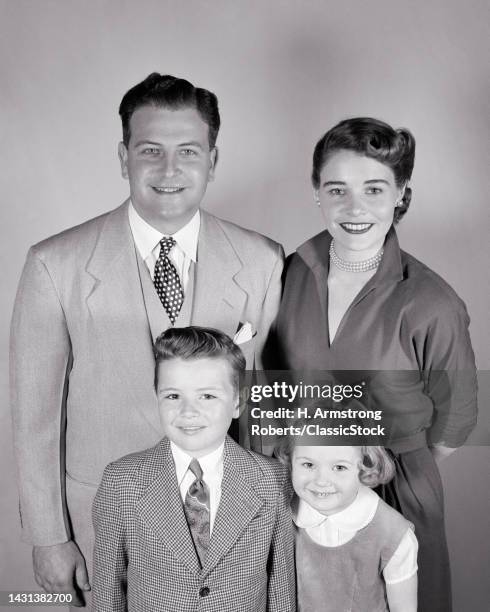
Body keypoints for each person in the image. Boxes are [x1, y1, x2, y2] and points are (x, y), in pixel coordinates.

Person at [10, 73, 283, 606]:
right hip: (103, 523)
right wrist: (48, 536)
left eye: (188, 151)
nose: (169, 169)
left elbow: (263, 399)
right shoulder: (53, 264)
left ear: (213, 160)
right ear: (123, 156)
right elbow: (34, 416)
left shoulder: (262, 260)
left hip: (228, 527)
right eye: (150, 150)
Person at [268, 117, 477, 611]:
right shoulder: (289, 272)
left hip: (396, 487)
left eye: (374, 189)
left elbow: (456, 421)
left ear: (401, 194)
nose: (354, 207)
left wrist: (386, 465)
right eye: (337, 188)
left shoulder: (432, 302)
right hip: (305, 483)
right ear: (317, 191)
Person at [92, 326, 295, 612]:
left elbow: (281, 591)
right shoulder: (122, 482)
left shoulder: (271, 480)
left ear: (238, 401)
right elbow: (107, 594)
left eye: (207, 396)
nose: (188, 411)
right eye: (173, 396)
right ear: (157, 397)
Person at [275, 430, 418, 612]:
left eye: (339, 467)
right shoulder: (279, 515)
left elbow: (403, 608)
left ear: (364, 467)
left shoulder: (394, 534)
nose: (321, 481)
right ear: (290, 461)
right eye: (308, 464)